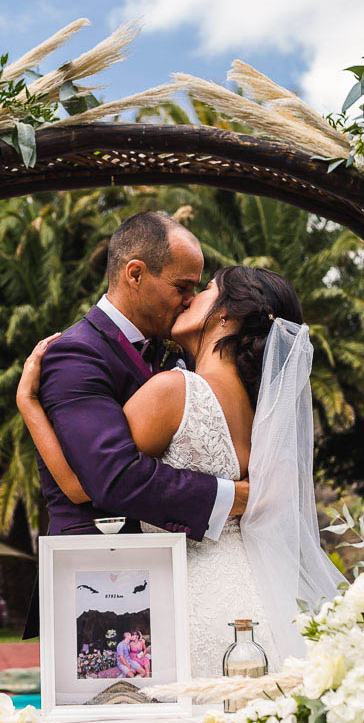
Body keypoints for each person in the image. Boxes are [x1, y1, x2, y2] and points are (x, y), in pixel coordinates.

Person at [18, 265, 346, 676]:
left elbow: (90, 483)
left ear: (227, 315)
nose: (190, 298)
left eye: (206, 289)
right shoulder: (263, 413)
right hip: (257, 591)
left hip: (190, 596)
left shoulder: (174, 391)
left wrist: (29, 405)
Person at [18, 212, 250, 639]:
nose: (190, 300)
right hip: (96, 580)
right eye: (182, 287)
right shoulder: (76, 354)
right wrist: (227, 497)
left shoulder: (176, 354)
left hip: (172, 573)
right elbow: (111, 476)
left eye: (198, 289)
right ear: (136, 273)